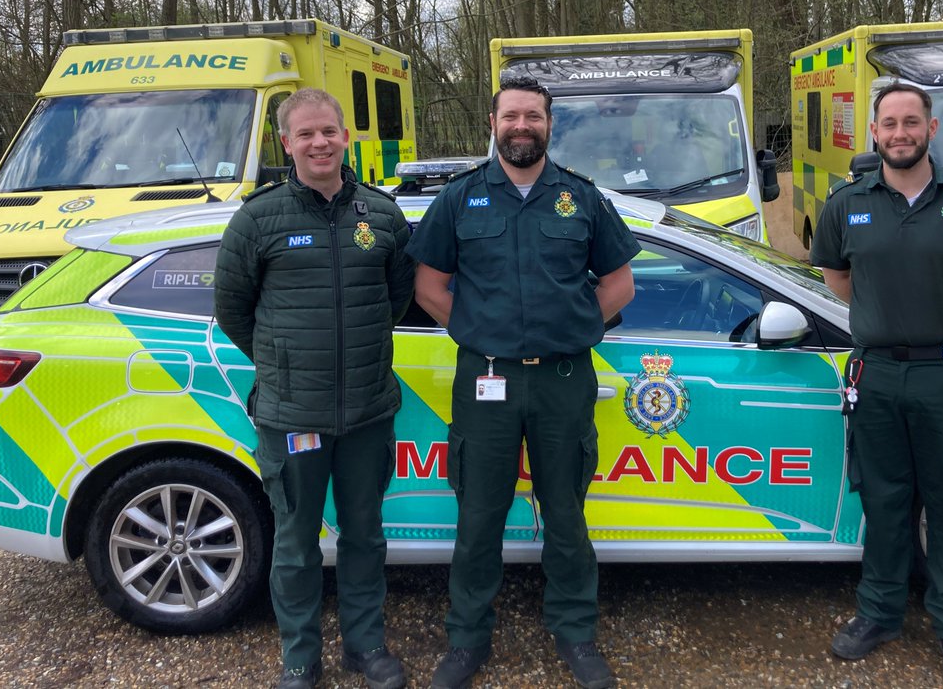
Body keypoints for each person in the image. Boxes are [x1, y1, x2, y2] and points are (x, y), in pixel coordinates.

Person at [407, 75, 639, 689]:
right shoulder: (460, 199)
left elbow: (620, 284)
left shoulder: (582, 198)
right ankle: (466, 638)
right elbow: (428, 287)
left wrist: (575, 326)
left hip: (564, 379)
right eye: (511, 115)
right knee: (479, 513)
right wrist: (480, 332)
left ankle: (576, 630)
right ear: (493, 123)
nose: (521, 126)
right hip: (485, 380)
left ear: (548, 125)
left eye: (532, 116)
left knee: (565, 510)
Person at [810, 80, 943, 686]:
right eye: (889, 124)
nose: (899, 133)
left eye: (911, 122)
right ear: (873, 133)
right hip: (876, 374)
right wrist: (891, 323)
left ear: (931, 129)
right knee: (883, 500)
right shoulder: (847, 202)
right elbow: (837, 276)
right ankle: (878, 614)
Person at [214, 88, 415, 689]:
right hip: (291, 415)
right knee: (296, 544)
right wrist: (282, 363)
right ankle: (299, 659)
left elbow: (395, 297)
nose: (319, 142)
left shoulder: (381, 215)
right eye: (306, 134)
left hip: (368, 412)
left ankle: (366, 646)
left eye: (329, 131)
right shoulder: (258, 218)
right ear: (287, 143)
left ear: (346, 137)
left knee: (365, 537)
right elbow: (232, 308)